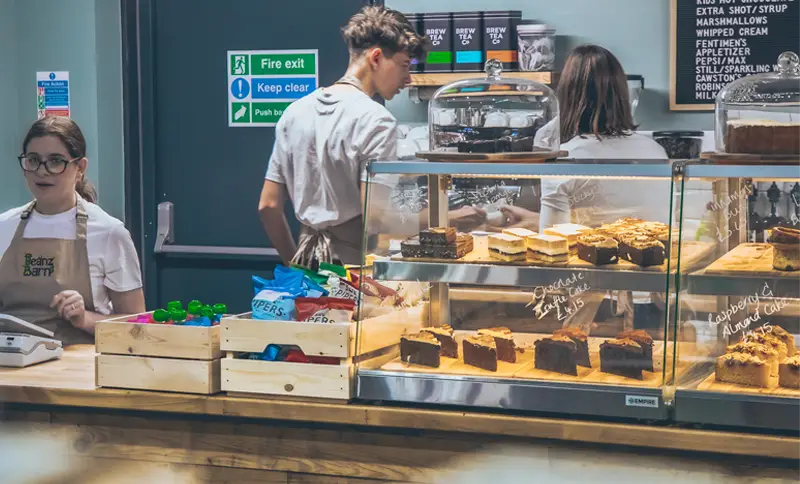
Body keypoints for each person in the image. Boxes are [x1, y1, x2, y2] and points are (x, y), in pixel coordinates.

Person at [258, 6, 429, 266]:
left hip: (307, 265)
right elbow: (378, 218)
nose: (408, 79)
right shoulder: (377, 120)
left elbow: (268, 206)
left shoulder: (293, 112)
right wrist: (448, 218)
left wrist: (292, 265)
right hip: (355, 272)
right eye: (404, 66)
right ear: (376, 58)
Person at [0, 117, 145, 345]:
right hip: (9, 368)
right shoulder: (4, 227)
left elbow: (137, 327)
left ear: (80, 168)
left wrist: (85, 318)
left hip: (76, 372)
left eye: (56, 161)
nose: (42, 171)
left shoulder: (109, 233)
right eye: (33, 160)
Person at [538, 44, 669, 230]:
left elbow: (551, 240)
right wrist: (530, 218)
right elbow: (621, 216)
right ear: (622, 93)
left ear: (567, 95)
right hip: (654, 255)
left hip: (594, 257)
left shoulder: (566, 159)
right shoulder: (656, 150)